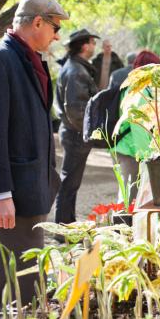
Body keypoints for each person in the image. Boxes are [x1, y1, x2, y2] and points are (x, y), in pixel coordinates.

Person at [0, 0, 67, 307]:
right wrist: (0, 194)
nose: (57, 36)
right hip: (12, 195)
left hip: (31, 188)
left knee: (30, 278)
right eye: (55, 27)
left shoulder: (28, 58)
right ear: (37, 21)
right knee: (15, 285)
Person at [54, 29, 100, 225]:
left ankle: (67, 223)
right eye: (92, 42)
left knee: (71, 183)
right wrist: (89, 132)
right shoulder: (75, 71)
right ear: (84, 45)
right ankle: (63, 226)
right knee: (68, 184)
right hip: (76, 134)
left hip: (74, 132)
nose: (94, 46)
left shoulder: (76, 68)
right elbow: (76, 109)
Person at [112, 50, 160, 202]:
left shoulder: (138, 87)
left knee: (129, 194)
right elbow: (138, 126)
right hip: (130, 151)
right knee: (129, 198)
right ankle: (122, 225)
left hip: (127, 148)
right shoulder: (139, 91)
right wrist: (146, 157)